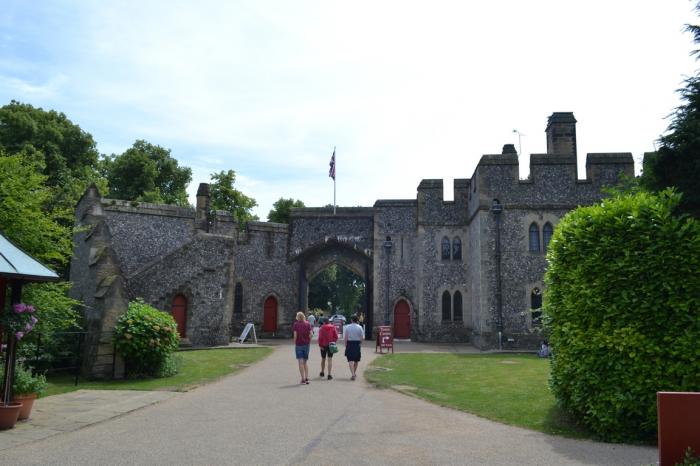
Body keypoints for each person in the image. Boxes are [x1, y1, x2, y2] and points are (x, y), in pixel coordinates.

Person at [292, 311, 313, 384]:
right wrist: (309, 340)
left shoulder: (296, 324)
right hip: (306, 344)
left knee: (300, 362)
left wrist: (295, 342)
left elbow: (295, 335)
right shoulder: (308, 324)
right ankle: (307, 377)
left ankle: (303, 379)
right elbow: (311, 334)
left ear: (297, 317)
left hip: (299, 344)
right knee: (305, 362)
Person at [344, 314, 365, 380]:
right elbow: (362, 337)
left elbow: (345, 337)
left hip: (350, 343)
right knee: (356, 360)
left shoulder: (348, 327)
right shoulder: (359, 327)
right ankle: (354, 373)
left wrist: (346, 345)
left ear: (351, 320)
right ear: (357, 320)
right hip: (357, 343)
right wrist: (360, 343)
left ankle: (353, 374)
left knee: (350, 360)